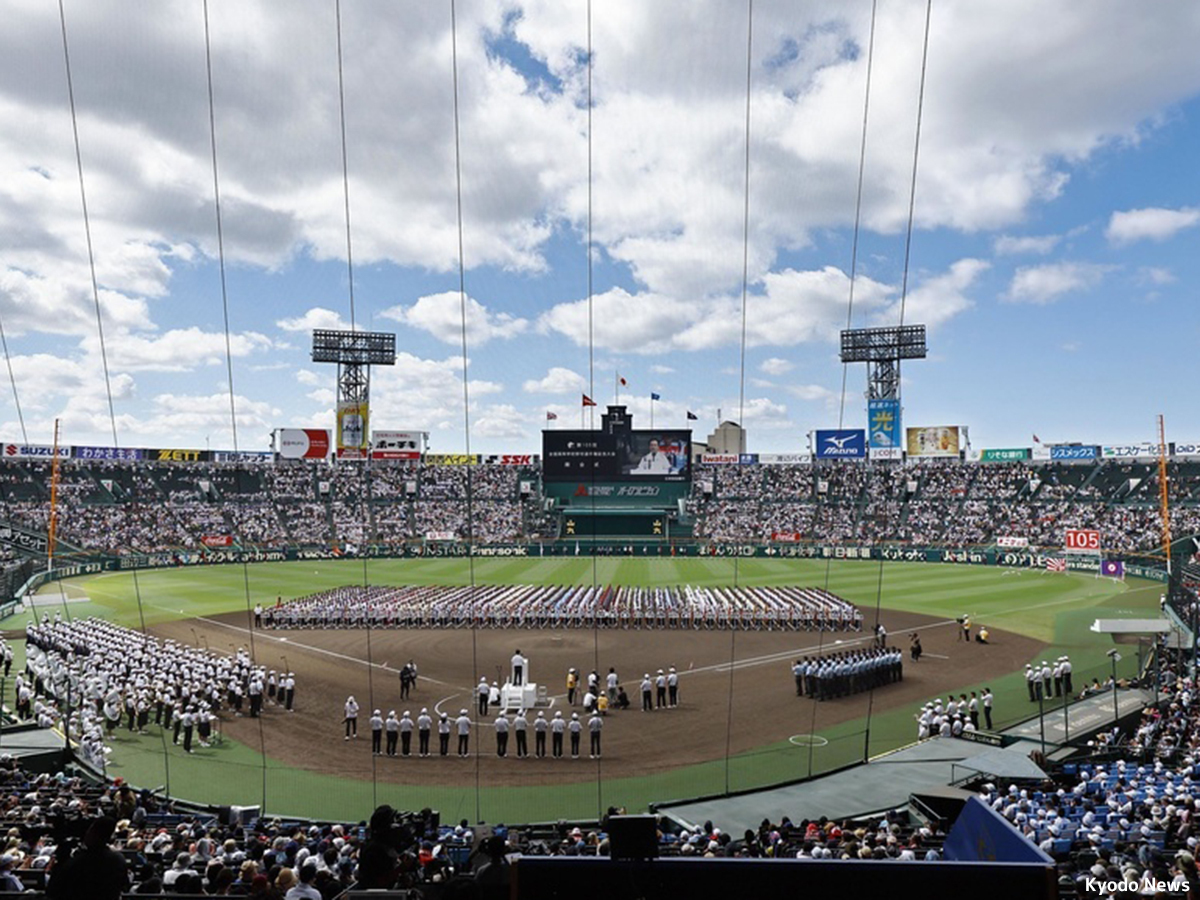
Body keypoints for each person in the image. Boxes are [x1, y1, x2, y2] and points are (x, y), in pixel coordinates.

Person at [46, 815, 127, 900]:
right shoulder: (118, 860)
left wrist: (61, 859)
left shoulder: (77, 862)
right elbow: (124, 885)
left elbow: (53, 891)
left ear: (93, 833)